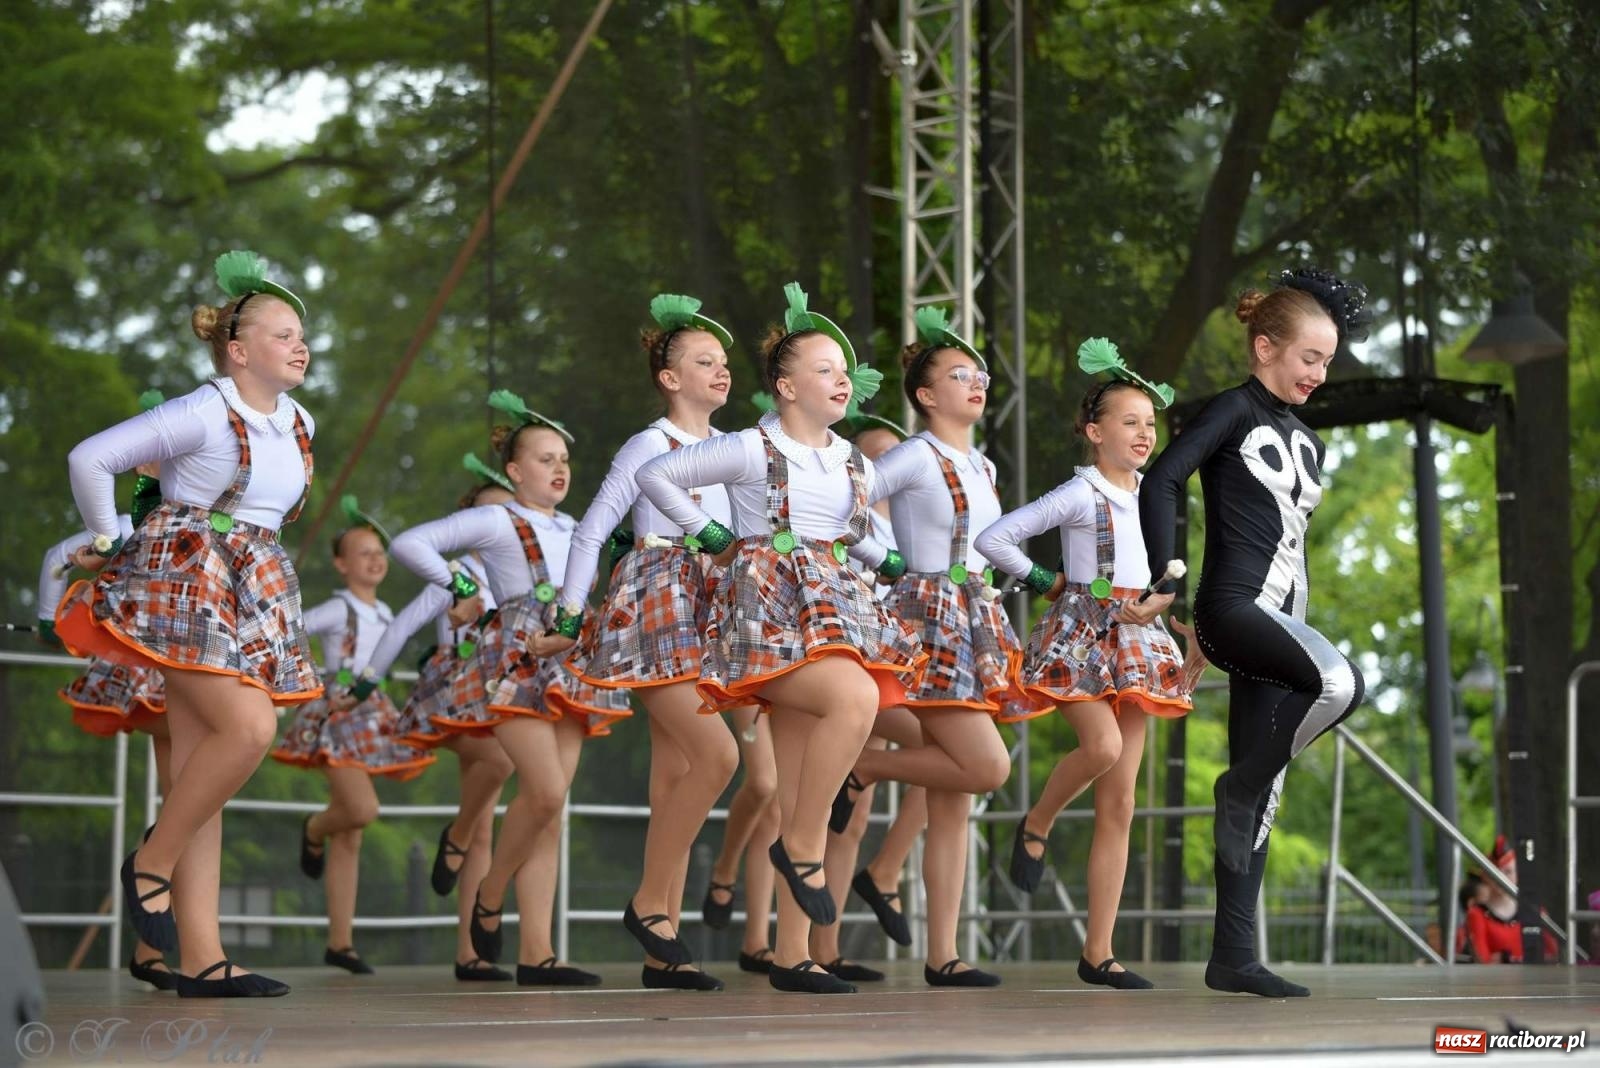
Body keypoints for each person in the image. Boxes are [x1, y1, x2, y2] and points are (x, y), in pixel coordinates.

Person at [635, 282, 926, 994]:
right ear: (785, 385)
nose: (841, 380)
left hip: (833, 615)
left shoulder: (854, 461)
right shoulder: (746, 448)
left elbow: (854, 531)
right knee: (854, 700)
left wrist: (884, 557)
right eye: (825, 369)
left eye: (845, 371)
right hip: (764, 621)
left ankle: (793, 954)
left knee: (799, 769)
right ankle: (803, 845)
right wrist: (712, 534)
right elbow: (657, 473)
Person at [56, 250, 317, 997]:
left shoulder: (300, 421)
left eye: (302, 335)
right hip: (184, 577)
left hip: (253, 582)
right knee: (248, 730)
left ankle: (202, 959)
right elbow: (92, 458)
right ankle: (151, 863)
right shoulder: (204, 408)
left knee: (201, 765)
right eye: (282, 333)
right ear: (238, 350)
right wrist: (108, 538)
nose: (299, 346)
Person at [1139, 266, 1371, 998]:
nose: (1319, 373)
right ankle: (1237, 782)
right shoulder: (1230, 411)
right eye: (1309, 357)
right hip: (1235, 608)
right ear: (1265, 347)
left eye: (1327, 361)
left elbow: (1280, 539)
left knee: (1265, 794)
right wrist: (1169, 575)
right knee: (1339, 682)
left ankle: (1233, 956)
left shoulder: (1307, 439)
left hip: (1275, 621)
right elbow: (1162, 477)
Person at [833, 307, 1052, 986]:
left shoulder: (980, 462)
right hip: (926, 618)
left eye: (981, 374)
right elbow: (843, 508)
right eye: (961, 375)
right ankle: (865, 764)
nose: (977, 383)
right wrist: (887, 560)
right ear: (927, 396)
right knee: (986, 768)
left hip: (977, 620)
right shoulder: (912, 454)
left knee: (955, 800)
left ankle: (943, 955)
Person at [977, 336, 1203, 990]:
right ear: (1094, 431)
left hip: (1137, 642)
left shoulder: (1155, 496)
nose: (1143, 433)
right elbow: (996, 540)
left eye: (1150, 424)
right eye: (1129, 422)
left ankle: (1098, 952)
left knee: (1122, 801)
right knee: (1100, 748)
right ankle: (1038, 821)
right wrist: (1052, 584)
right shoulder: (1079, 495)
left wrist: (1175, 614)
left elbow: (1162, 578)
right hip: (1079, 637)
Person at [390, 391, 629, 986]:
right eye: (544, 460)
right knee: (544, 793)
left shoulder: (580, 527)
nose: (559, 469)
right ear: (516, 472)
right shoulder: (498, 519)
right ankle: (490, 896)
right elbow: (410, 542)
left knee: (553, 814)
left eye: (563, 460)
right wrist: (455, 587)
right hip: (517, 655)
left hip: (571, 657)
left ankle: (538, 954)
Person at [547, 293, 742, 990]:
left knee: (676, 777)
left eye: (723, 362)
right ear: (668, 377)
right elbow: (593, 527)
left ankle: (663, 941)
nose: (721, 372)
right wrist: (570, 616)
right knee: (717, 757)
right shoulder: (649, 444)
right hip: (658, 594)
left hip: (714, 603)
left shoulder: (731, 448)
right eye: (703, 361)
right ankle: (647, 906)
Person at [360, 470, 516, 982]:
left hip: (506, 691)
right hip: (457, 692)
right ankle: (458, 831)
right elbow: (403, 625)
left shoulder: (520, 576)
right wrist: (366, 683)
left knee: (489, 827)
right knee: (498, 763)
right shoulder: (456, 572)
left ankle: (469, 952)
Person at [271, 497, 434, 974]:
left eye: (379, 550)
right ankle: (313, 828)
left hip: (373, 710)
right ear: (342, 564)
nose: (374, 558)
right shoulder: (338, 609)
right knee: (360, 810)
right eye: (362, 552)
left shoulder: (386, 613)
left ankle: (340, 942)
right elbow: (293, 629)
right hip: (339, 711)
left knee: (354, 833)